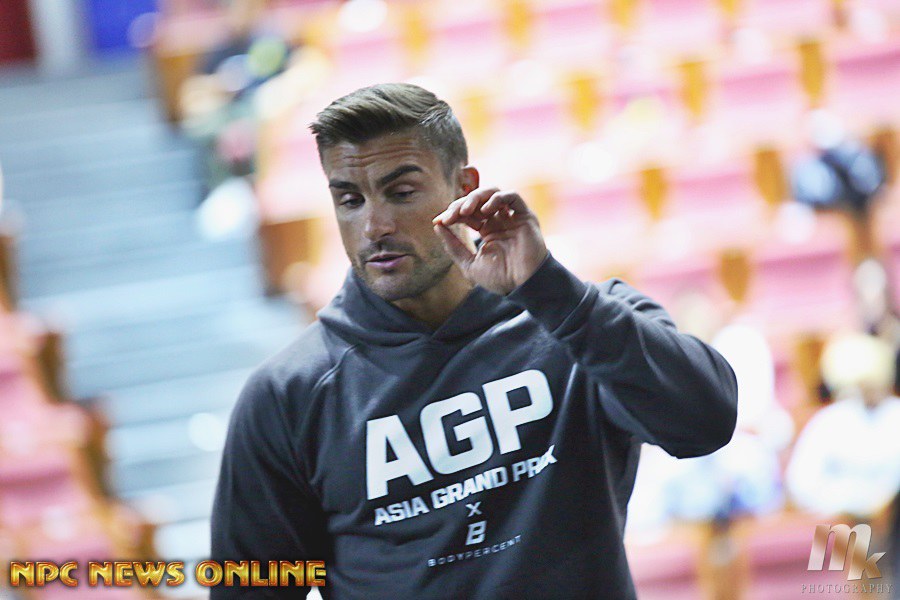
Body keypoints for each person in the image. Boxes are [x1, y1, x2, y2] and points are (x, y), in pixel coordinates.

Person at [210, 83, 739, 599]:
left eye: (401, 192)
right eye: (350, 199)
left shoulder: (583, 322)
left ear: (464, 188)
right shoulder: (287, 396)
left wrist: (554, 294)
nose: (374, 225)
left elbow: (706, 423)